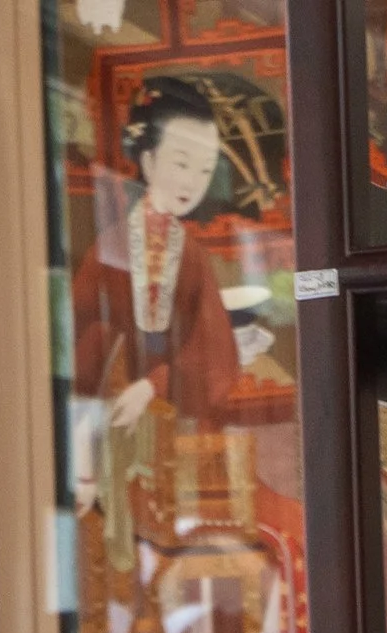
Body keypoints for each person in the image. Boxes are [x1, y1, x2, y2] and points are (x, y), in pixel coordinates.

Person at [70, 73, 276, 438]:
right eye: (182, 163)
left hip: (171, 415)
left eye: (205, 169)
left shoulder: (192, 257)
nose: (192, 182)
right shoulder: (109, 248)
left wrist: (153, 385)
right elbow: (78, 331)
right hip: (107, 411)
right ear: (148, 159)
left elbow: (214, 353)